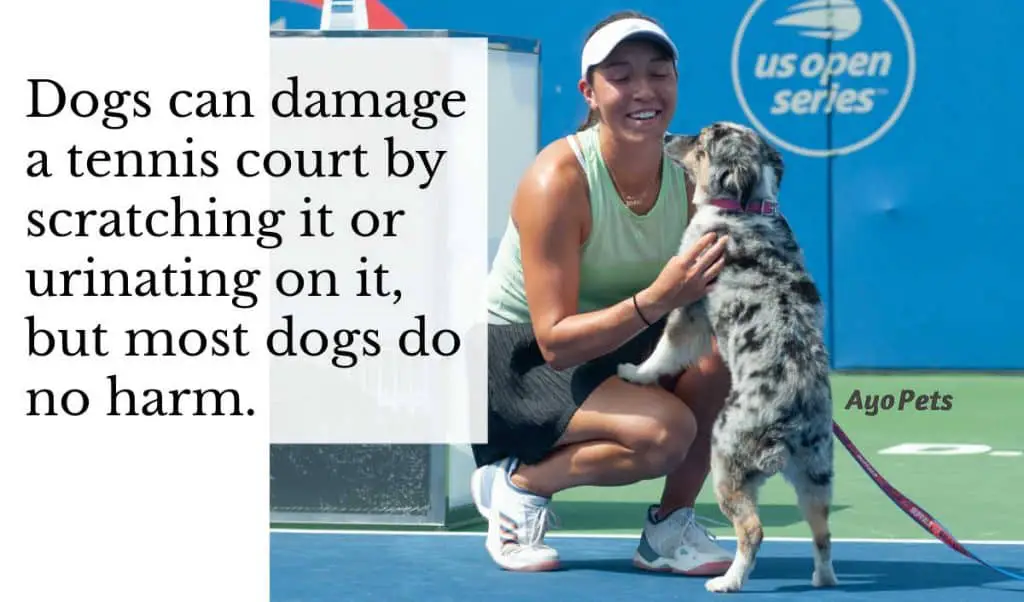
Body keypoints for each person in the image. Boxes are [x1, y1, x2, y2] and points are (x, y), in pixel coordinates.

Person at [470, 10, 734, 575]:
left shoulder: (689, 178)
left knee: (720, 365)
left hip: (614, 342)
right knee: (665, 434)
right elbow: (556, 342)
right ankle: (517, 485)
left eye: (659, 73)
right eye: (621, 75)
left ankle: (669, 531)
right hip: (517, 360)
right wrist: (659, 300)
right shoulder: (557, 180)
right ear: (590, 92)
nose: (644, 90)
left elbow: (707, 299)